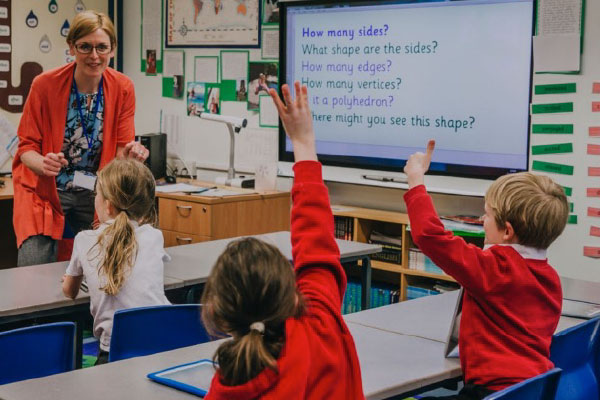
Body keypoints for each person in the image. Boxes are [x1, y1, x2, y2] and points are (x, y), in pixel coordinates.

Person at [201, 81, 365, 399]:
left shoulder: (227, 387)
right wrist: (303, 143)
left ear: (219, 314)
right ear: (292, 294)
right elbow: (316, 240)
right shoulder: (321, 327)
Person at [403, 140, 569, 399]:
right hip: (530, 390)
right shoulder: (550, 278)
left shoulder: (495, 269)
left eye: (487, 215)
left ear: (507, 231)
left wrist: (416, 180)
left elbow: (428, 235)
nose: (482, 220)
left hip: (489, 394)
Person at [13, 10, 148, 267]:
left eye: (101, 47)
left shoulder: (123, 88)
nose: (94, 56)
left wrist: (131, 157)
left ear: (112, 49)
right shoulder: (45, 85)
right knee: (34, 267)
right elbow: (26, 148)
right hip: (45, 190)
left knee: (106, 263)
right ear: (71, 47)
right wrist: (43, 163)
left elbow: (121, 150)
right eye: (85, 46)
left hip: (96, 192)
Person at [62, 159, 170, 365]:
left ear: (108, 206)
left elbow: (70, 291)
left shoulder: (84, 239)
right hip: (160, 347)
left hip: (113, 354)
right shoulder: (154, 236)